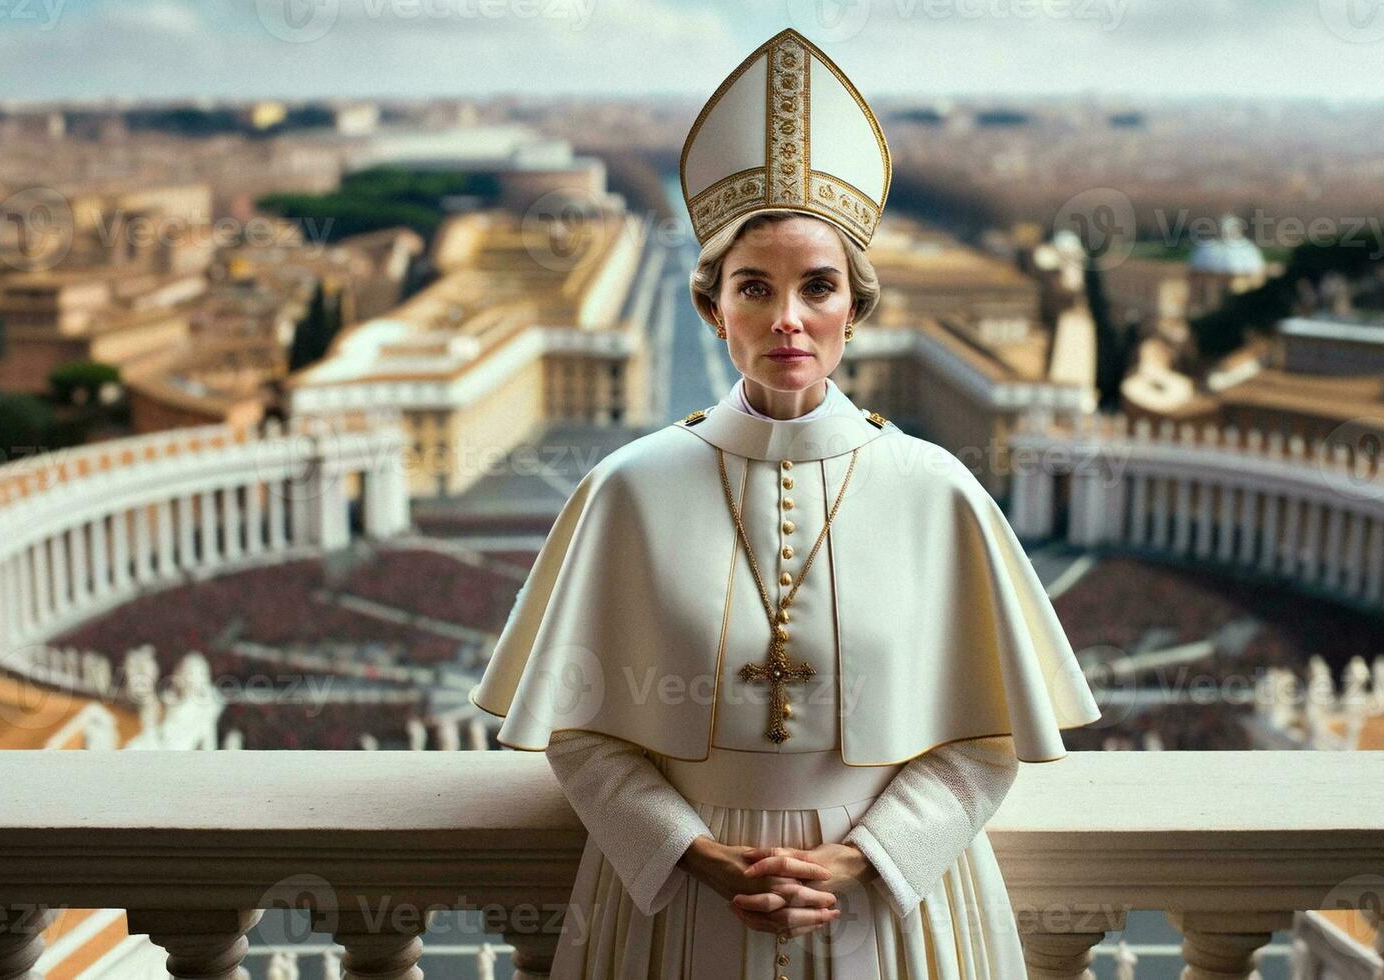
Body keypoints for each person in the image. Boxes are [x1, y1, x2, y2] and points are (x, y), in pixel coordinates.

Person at [470, 27, 1102, 979]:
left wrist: (865, 859)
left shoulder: (939, 492)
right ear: (712, 306)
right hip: (679, 900)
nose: (788, 320)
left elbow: (989, 737)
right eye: (754, 288)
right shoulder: (626, 490)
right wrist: (700, 856)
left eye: (818, 287)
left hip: (889, 908)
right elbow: (579, 732)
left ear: (857, 306)